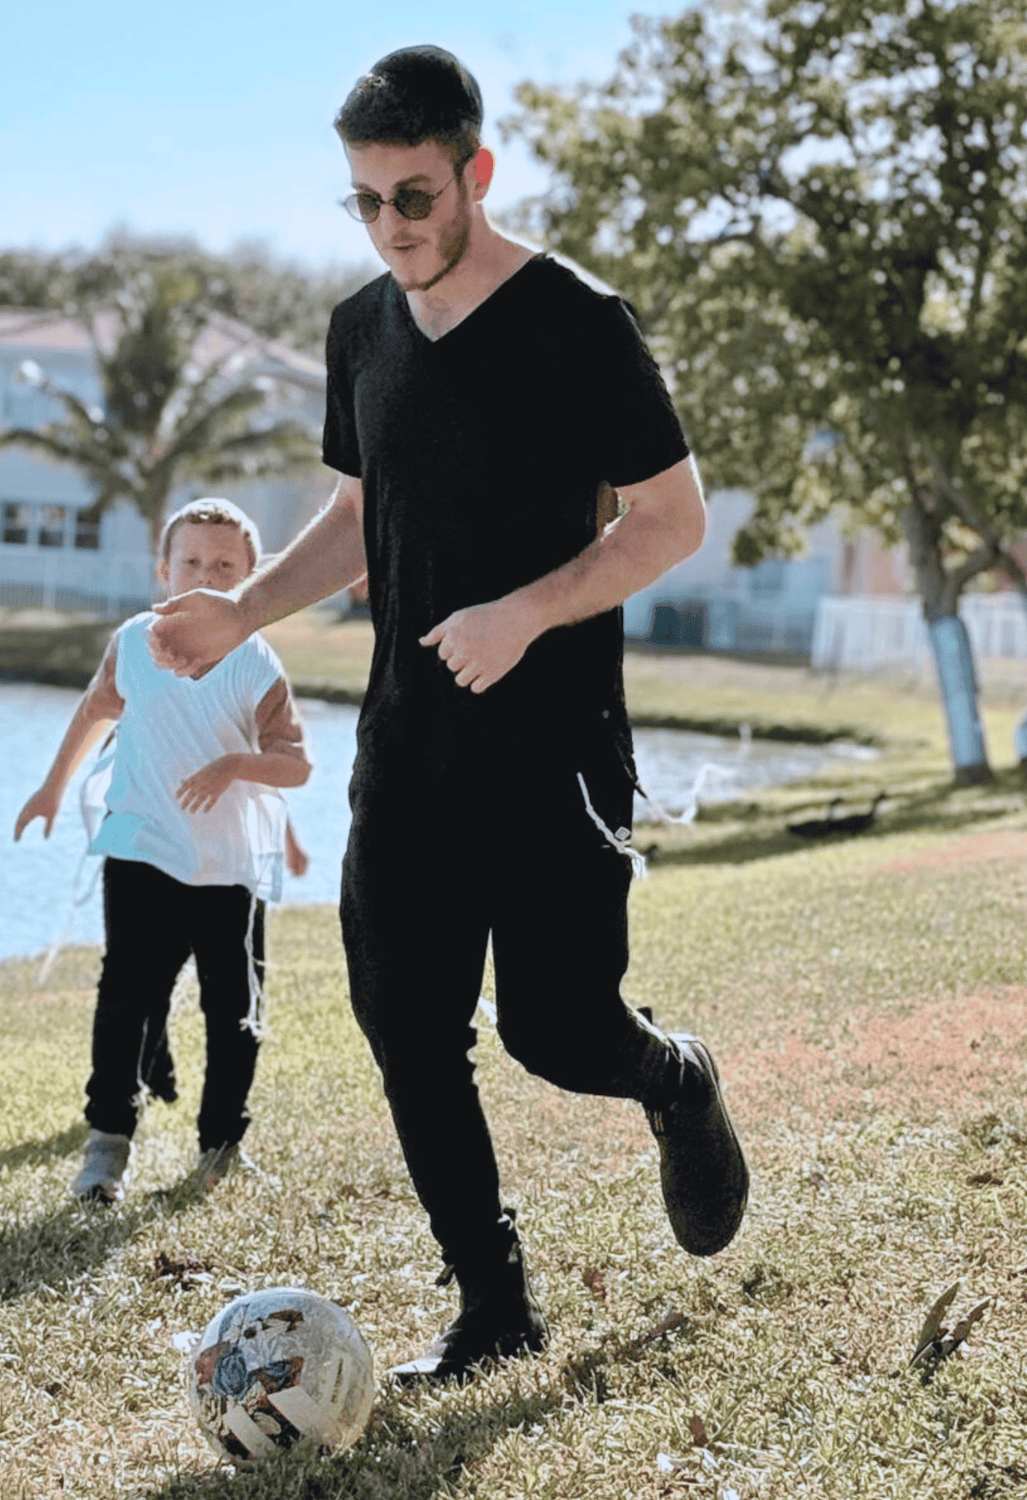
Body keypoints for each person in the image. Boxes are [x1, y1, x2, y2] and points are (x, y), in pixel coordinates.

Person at [149, 46, 748, 1382]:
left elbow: (673, 521)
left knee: (554, 1031)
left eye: (414, 197)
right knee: (405, 1022)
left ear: (477, 173)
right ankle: (495, 1309)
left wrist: (528, 611)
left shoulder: (580, 322)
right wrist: (243, 609)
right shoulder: (361, 328)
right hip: (406, 747)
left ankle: (677, 1082)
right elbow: (361, 518)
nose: (392, 227)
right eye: (364, 202)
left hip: (552, 752)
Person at [15, 497, 311, 1204]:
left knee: (233, 1007)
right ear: (164, 568)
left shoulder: (255, 662)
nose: (205, 575)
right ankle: (106, 1145)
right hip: (138, 844)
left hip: (228, 866)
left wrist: (234, 767)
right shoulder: (133, 641)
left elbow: (295, 764)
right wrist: (52, 789)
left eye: (224, 566)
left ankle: (220, 1146)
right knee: (126, 996)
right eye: (192, 562)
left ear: (249, 576)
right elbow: (94, 711)